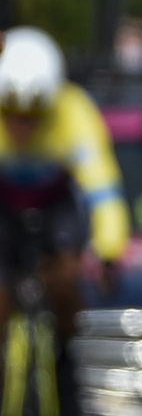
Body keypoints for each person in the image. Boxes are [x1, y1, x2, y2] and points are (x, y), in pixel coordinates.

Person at [0, 28, 127, 342]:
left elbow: (103, 190)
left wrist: (108, 251)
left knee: (66, 279)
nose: (22, 125)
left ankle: (70, 366)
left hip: (56, 205)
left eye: (34, 115)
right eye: (11, 113)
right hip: (4, 203)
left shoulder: (74, 111)